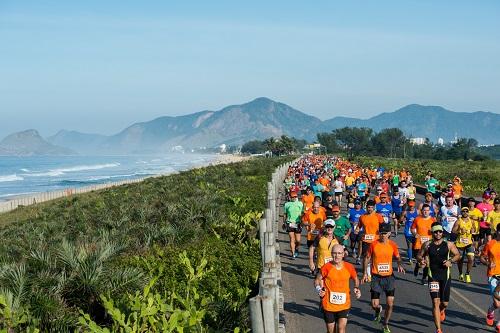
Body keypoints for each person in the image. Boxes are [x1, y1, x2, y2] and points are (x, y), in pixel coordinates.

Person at [417, 222, 461, 333]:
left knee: (444, 303)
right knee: (435, 302)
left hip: (445, 275)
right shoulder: (427, 244)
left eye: (440, 231)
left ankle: (442, 310)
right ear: (432, 232)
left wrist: (450, 261)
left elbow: (457, 255)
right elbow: (419, 255)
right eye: (435, 232)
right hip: (433, 276)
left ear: (442, 232)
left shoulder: (448, 244)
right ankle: (438, 329)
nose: (438, 233)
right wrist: (420, 260)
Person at [362, 222, 405, 333]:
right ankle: (377, 310)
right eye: (381, 233)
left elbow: (398, 256)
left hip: (389, 278)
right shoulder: (373, 244)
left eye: (385, 233)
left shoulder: (392, 245)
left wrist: (399, 264)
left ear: (389, 233)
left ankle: (385, 324)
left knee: (390, 303)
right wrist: (365, 273)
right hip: (376, 278)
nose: (382, 235)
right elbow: (367, 258)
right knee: (374, 304)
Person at [315, 244, 361, 333]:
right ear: (331, 254)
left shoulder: (349, 267)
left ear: (343, 254)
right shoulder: (326, 267)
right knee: (331, 331)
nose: (337, 256)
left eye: (339, 253)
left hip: (344, 304)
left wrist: (356, 287)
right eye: (335, 253)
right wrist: (318, 289)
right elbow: (317, 280)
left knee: (341, 329)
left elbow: (356, 279)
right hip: (329, 305)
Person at [357, 200, 384, 281]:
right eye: (369, 207)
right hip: (366, 240)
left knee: (375, 258)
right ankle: (366, 274)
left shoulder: (378, 216)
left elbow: (383, 227)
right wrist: (357, 230)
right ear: (366, 207)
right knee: (366, 257)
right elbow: (359, 226)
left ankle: (374, 272)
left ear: (374, 208)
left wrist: (384, 236)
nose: (370, 209)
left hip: (376, 240)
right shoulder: (362, 217)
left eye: (372, 207)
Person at [481, 223, 500, 330]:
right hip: (493, 275)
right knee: (497, 303)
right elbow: (482, 257)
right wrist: (488, 263)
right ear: (497, 231)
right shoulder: (490, 244)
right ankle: (491, 310)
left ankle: (498, 325)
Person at [411, 204, 436, 284]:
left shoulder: (433, 220)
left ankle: (424, 278)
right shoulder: (417, 219)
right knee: (421, 260)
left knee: (427, 262)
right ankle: (417, 266)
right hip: (419, 244)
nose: (426, 212)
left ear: (430, 212)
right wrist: (415, 234)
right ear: (422, 211)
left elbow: (437, 231)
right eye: (424, 210)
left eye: (427, 210)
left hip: (428, 244)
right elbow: (412, 228)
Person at [452, 207, 476, 283]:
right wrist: (459, 231)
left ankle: (467, 273)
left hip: (469, 243)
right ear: (461, 212)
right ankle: (460, 274)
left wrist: (473, 230)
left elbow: (475, 229)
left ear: (468, 212)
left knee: (471, 259)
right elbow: (453, 231)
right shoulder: (458, 221)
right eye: (463, 211)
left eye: (466, 211)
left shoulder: (471, 221)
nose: (465, 212)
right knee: (460, 260)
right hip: (460, 243)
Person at [284, 191, 304, 259]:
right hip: (290, 223)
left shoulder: (300, 204)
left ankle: (296, 249)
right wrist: (284, 223)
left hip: (297, 223)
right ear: (290, 197)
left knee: (298, 240)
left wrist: (302, 220)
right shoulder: (287, 204)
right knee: (292, 239)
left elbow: (302, 213)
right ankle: (293, 254)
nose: (294, 198)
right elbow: (285, 214)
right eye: (292, 197)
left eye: (295, 196)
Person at [402, 200, 418, 264]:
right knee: (410, 245)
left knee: (416, 245)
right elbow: (401, 220)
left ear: (414, 206)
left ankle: (416, 257)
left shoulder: (418, 212)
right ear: (408, 206)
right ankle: (410, 259)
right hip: (408, 231)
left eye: (412, 206)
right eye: (410, 206)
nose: (411, 207)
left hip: (416, 231)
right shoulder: (405, 212)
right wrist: (402, 219)